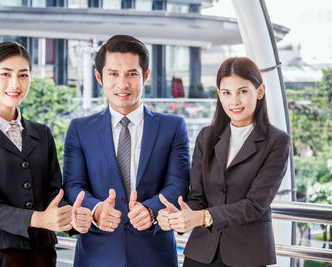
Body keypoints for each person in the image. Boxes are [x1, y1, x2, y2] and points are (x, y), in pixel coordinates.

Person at [0, 42, 92, 267]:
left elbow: (54, 193)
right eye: (5, 74)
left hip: (42, 253)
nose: (15, 84)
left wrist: (71, 217)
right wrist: (39, 219)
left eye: (23, 75)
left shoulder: (42, 133)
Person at [62, 35, 190, 267]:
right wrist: (96, 209)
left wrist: (150, 210)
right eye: (113, 74)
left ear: (146, 76)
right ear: (99, 77)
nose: (122, 84)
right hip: (97, 255)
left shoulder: (172, 127)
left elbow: (179, 184)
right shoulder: (80, 129)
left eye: (132, 74)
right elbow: (73, 186)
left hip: (154, 254)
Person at [157, 57, 291, 267]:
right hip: (201, 254)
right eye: (227, 93)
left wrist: (202, 217)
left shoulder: (277, 141)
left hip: (247, 256)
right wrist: (181, 216)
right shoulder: (206, 136)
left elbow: (255, 205)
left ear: (260, 91)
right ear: (219, 95)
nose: (234, 101)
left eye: (243, 91)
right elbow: (198, 197)